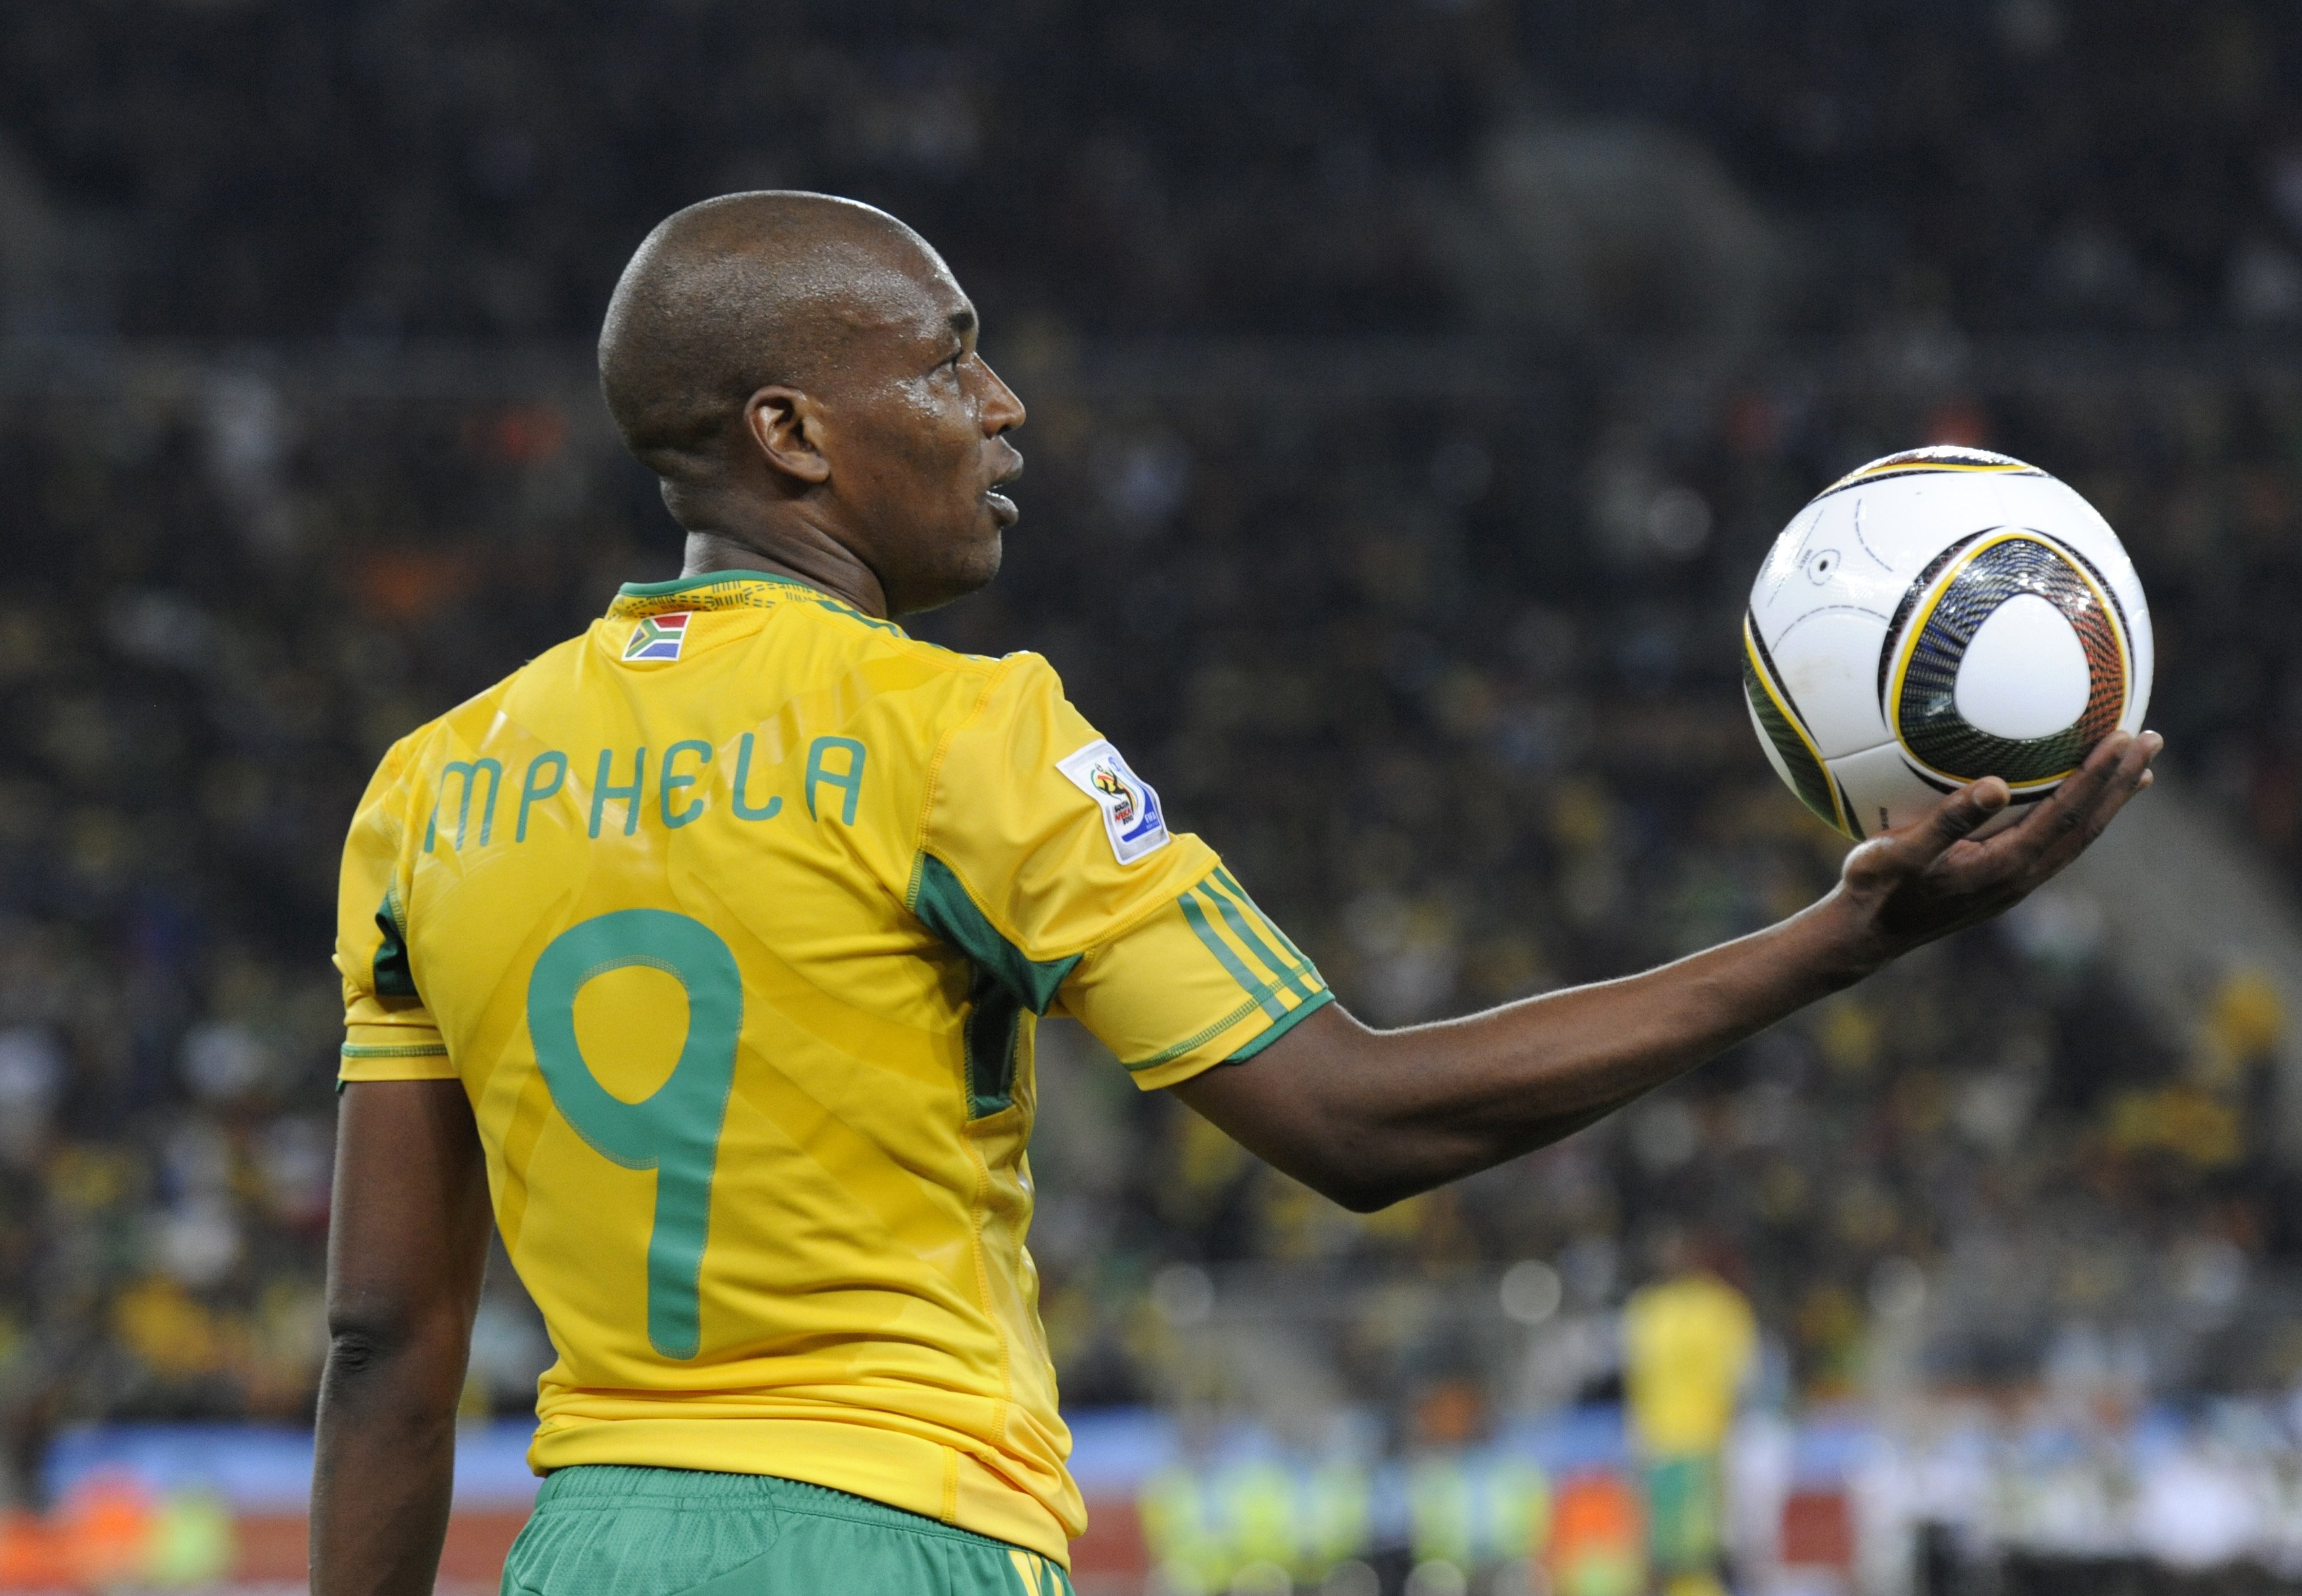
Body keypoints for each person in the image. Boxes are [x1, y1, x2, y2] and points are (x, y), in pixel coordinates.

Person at [307, 191, 2160, 1596]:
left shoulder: (429, 789)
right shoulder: (961, 735)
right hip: (894, 1530)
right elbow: (1351, 1118)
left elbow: (385, 1342)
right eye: (946, 362)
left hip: (585, 1546)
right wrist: (1840, 941)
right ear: (791, 434)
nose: (1002, 406)